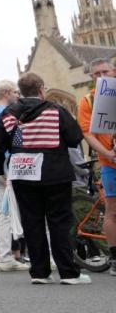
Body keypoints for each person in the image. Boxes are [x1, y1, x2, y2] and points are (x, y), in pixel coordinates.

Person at [0, 72, 89, 285]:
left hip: (22, 173)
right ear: (42, 89)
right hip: (55, 172)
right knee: (59, 222)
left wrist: (0, 171)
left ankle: (39, 272)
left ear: (21, 91)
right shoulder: (56, 110)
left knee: (32, 222)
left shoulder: (8, 113)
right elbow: (74, 138)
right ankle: (68, 273)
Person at [0, 79, 29, 272]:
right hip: (7, 166)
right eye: (15, 92)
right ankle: (11, 256)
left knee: (5, 213)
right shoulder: (5, 113)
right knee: (21, 210)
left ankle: (5, 257)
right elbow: (6, 142)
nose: (17, 95)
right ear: (6, 93)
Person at [77, 57, 116, 275]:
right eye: (96, 74)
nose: (101, 77)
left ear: (114, 71)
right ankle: (115, 258)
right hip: (110, 162)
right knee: (112, 211)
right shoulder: (88, 101)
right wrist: (108, 153)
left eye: (105, 72)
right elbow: (88, 133)